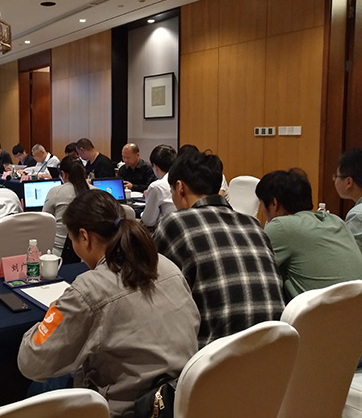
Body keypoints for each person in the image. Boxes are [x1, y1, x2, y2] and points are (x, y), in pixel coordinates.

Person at [18, 190, 200, 417]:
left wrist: (54, 311)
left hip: (128, 409)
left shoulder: (90, 289)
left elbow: (31, 361)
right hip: (176, 400)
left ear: (84, 237)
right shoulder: (165, 265)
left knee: (41, 385)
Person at [153, 150, 284, 348]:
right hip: (272, 347)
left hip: (214, 354)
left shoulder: (176, 223)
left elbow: (149, 285)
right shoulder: (253, 224)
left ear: (180, 188)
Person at [256, 168, 362, 301]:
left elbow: (254, 271)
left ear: (274, 203)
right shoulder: (335, 220)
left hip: (319, 312)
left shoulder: (281, 226)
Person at [42, 156, 89, 256]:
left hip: (58, 250)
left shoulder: (55, 192)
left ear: (63, 174)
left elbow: (44, 221)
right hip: (89, 250)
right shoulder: (96, 192)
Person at [140, 145, 176, 230]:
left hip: (165, 230)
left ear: (155, 166)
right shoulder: (183, 179)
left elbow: (148, 221)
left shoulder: (156, 186)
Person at [334, 148, 362, 253]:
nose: (334, 180)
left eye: (336, 176)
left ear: (349, 182)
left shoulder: (357, 215)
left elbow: (349, 256)